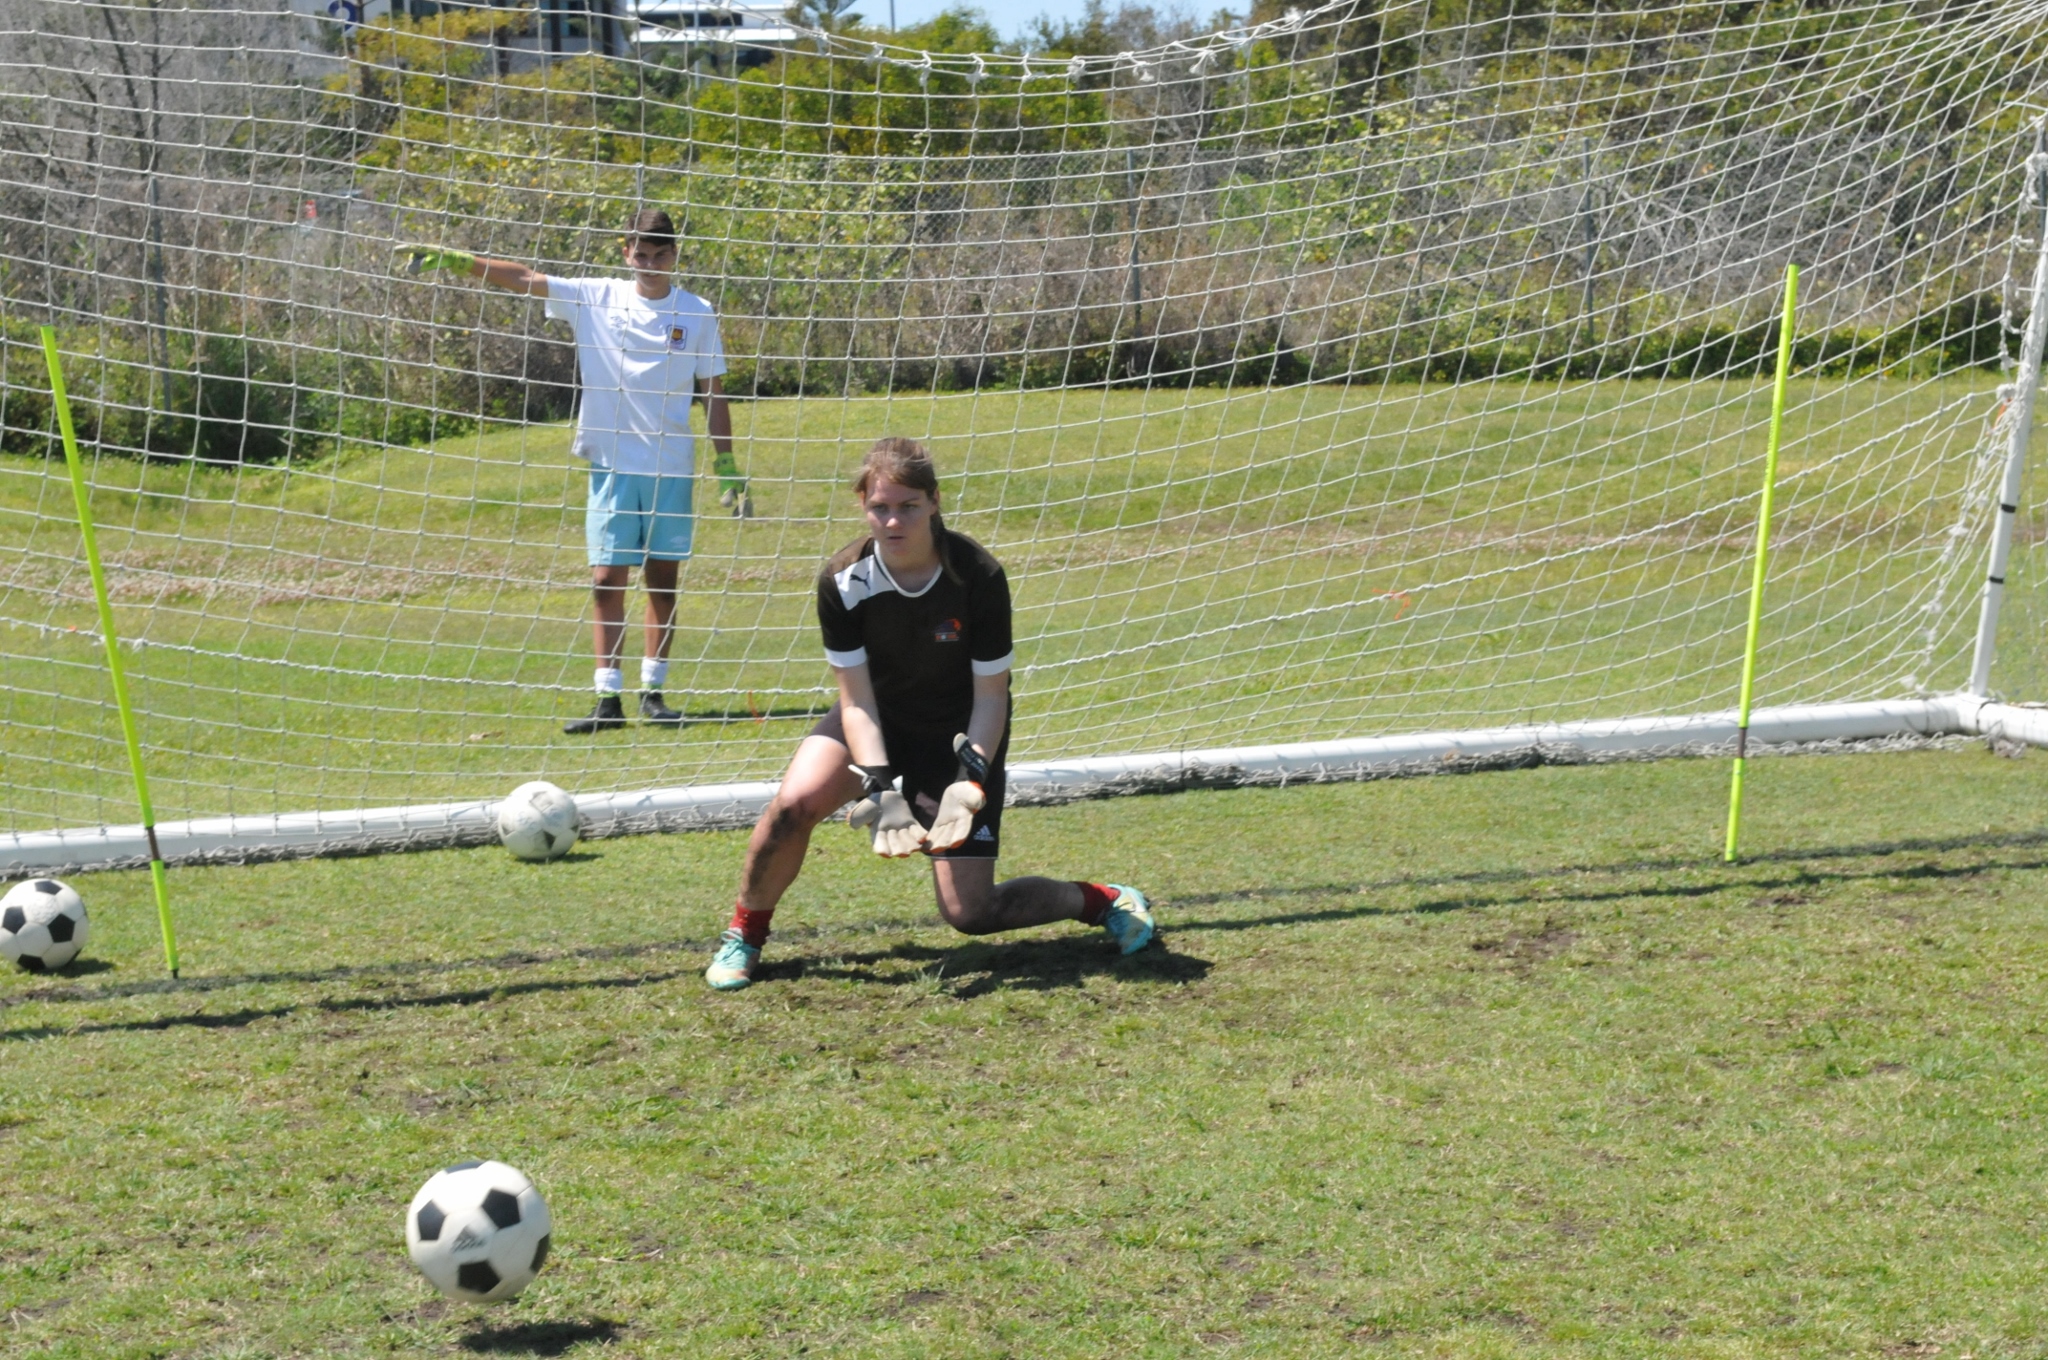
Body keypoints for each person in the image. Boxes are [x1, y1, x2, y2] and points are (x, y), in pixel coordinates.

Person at [703, 436, 1155, 992]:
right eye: (880, 507)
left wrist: (968, 781)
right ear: (863, 506)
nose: (893, 522)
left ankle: (1103, 900)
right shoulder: (842, 581)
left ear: (935, 501)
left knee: (970, 913)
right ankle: (744, 935)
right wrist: (879, 786)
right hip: (877, 720)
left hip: (958, 735)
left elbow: (992, 697)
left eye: (908, 506)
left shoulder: (977, 576)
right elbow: (857, 700)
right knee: (793, 804)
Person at [393, 210, 750, 734]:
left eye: (660, 255)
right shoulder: (596, 297)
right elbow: (525, 279)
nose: (650, 264)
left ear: (675, 255)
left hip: (669, 466)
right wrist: (458, 260)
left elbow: (714, 393)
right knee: (606, 577)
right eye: (640, 254)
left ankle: (654, 692)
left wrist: (727, 464)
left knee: (662, 581)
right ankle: (607, 700)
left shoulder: (696, 312)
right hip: (609, 464)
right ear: (626, 253)